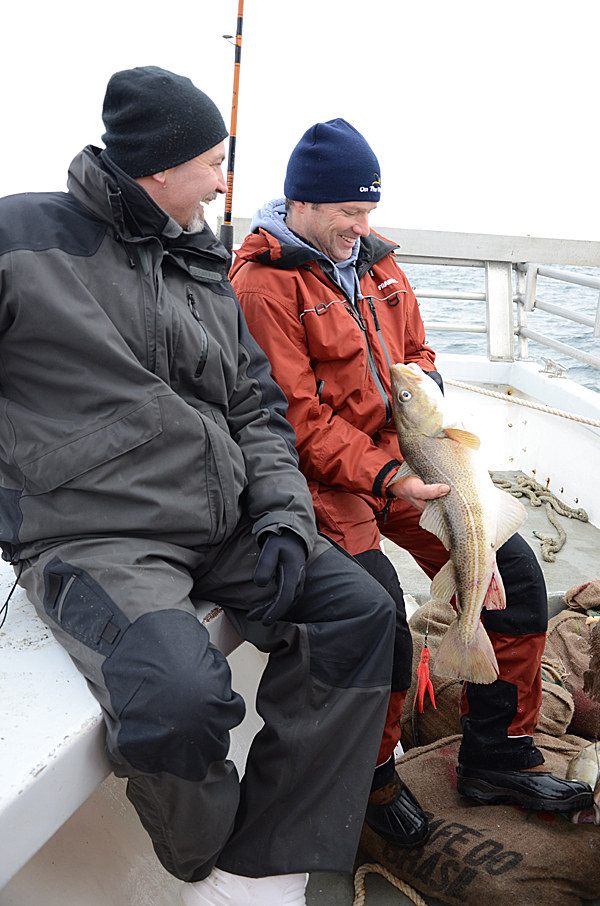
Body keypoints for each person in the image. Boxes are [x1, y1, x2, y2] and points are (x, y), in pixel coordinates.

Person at [0, 70, 429, 906]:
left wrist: (276, 514)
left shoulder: (198, 260)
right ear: (158, 169)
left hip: (227, 517)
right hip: (98, 536)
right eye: (212, 162)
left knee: (362, 613)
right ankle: (202, 861)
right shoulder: (19, 236)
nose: (226, 180)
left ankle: (255, 870)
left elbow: (258, 408)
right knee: (179, 699)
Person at [230, 118, 594, 824]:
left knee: (512, 573)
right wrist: (394, 477)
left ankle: (497, 754)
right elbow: (296, 425)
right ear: (302, 202)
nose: (362, 227)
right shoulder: (263, 289)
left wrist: (422, 397)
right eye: (349, 212)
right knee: (379, 619)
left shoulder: (376, 262)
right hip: (319, 486)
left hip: (404, 465)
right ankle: (372, 783)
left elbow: (419, 352)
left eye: (370, 211)